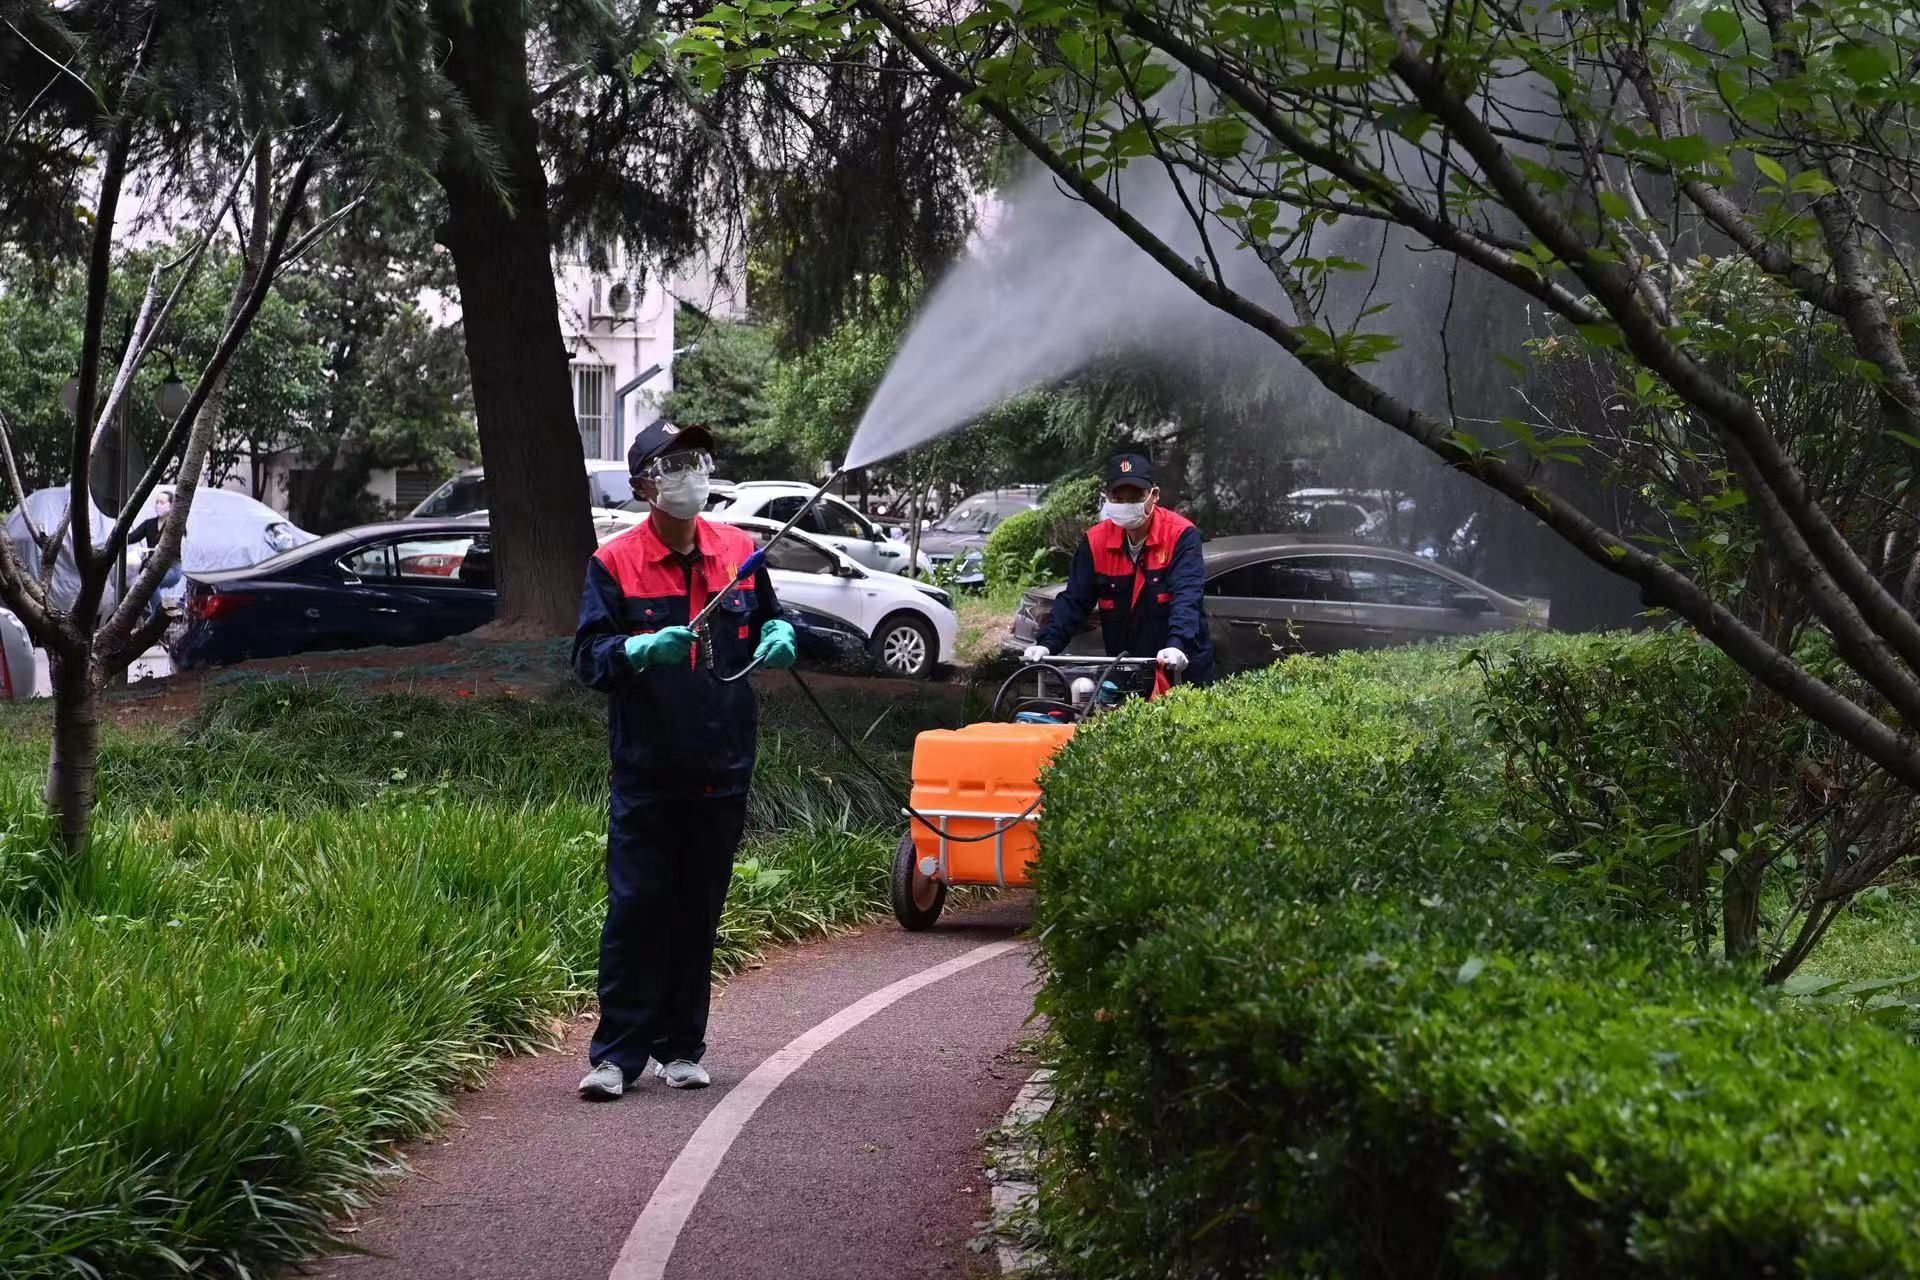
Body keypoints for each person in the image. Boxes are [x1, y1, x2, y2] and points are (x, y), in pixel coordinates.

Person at [570, 420, 798, 1100]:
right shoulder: (614, 562)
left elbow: (770, 617)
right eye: (672, 464)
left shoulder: (739, 550)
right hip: (648, 766)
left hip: (722, 762)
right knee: (636, 907)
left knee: (698, 910)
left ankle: (680, 1047)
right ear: (644, 485)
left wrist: (782, 633)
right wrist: (636, 650)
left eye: (696, 458)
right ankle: (616, 1056)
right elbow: (587, 658)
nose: (690, 473)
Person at [1023, 453, 1214, 685]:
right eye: (1118, 498)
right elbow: (1074, 600)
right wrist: (1046, 643)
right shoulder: (1096, 542)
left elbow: (1187, 595)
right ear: (1107, 499)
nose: (1126, 505)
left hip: (1179, 667)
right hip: (1125, 669)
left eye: (1134, 498)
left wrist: (1177, 644)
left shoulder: (1180, 535)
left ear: (1154, 495)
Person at [127, 488, 184, 621]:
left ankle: (159, 617)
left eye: (162, 503)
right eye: (157, 502)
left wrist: (162, 548)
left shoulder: (175, 526)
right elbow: (131, 537)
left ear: (171, 505)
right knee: (142, 585)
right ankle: (156, 615)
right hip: (152, 568)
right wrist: (120, 531)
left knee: (150, 582)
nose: (158, 505)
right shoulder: (149, 524)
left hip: (172, 569)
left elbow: (175, 547)